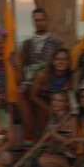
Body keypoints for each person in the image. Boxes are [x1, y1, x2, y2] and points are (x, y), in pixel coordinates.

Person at [17, 8, 64, 142]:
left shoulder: (56, 43)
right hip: (28, 89)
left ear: (46, 21)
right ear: (33, 22)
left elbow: (61, 66)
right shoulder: (26, 44)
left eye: (42, 19)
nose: (39, 23)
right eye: (36, 20)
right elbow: (22, 68)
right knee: (29, 127)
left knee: (44, 128)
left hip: (46, 90)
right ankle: (29, 158)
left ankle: (42, 157)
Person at [35, 90, 77, 167]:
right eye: (53, 100)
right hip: (57, 158)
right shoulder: (53, 118)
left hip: (69, 158)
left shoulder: (71, 118)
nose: (55, 103)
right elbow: (51, 145)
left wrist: (56, 135)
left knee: (42, 161)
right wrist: (49, 152)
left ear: (65, 104)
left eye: (59, 101)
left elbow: (75, 143)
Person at [27, 48, 73, 121]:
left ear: (68, 62)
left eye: (65, 59)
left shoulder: (70, 77)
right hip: (42, 101)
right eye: (58, 59)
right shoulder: (43, 74)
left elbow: (67, 98)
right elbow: (32, 96)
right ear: (53, 62)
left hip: (59, 104)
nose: (61, 62)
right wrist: (48, 108)